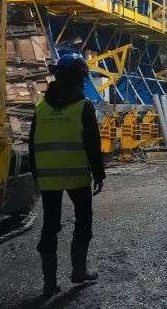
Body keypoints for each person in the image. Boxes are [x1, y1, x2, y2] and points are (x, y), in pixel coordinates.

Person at [29, 50, 106, 297]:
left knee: (50, 225)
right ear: (78, 78)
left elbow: (32, 145)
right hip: (77, 176)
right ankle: (79, 271)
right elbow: (93, 145)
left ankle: (49, 284)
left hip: (48, 178)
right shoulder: (84, 107)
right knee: (83, 220)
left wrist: (36, 175)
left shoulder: (41, 108)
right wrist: (99, 174)